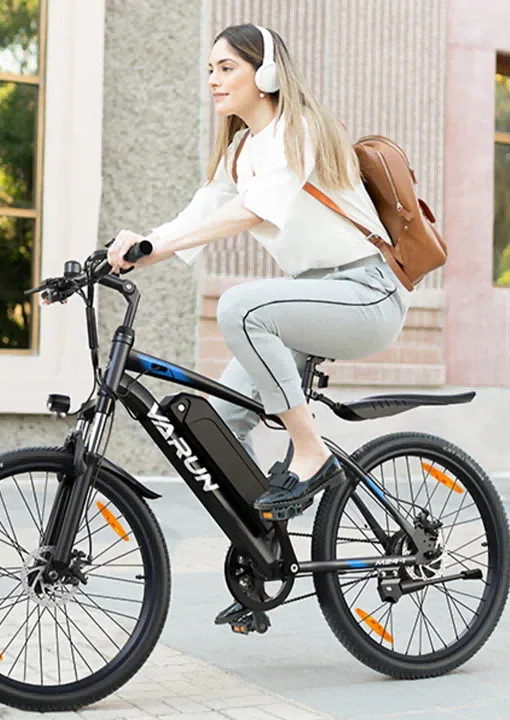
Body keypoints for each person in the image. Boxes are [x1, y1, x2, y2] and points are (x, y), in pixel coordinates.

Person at [107, 24, 409, 514]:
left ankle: (311, 452)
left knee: (241, 307)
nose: (213, 80)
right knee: (218, 427)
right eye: (210, 70)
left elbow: (255, 210)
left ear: (265, 73)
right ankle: (265, 553)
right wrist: (139, 246)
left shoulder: (302, 131)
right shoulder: (241, 150)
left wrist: (156, 246)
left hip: (366, 291)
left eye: (227, 68)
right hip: (310, 299)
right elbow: (197, 215)